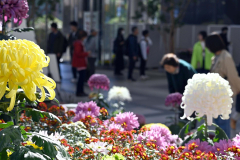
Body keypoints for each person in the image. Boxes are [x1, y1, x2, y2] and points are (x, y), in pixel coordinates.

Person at [206, 34, 240, 137]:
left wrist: (234, 92)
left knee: (223, 127)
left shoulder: (226, 57)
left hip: (223, 97)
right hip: (215, 97)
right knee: (218, 125)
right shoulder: (216, 57)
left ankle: (225, 150)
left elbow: (233, 77)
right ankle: (221, 149)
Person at [160, 53, 196, 118]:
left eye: (168, 67)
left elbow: (191, 85)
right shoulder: (169, 71)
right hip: (180, 94)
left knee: (190, 116)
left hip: (192, 95)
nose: (167, 69)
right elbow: (171, 85)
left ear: (175, 66)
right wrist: (173, 98)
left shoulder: (185, 68)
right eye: (165, 68)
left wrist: (184, 96)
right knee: (181, 115)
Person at [72, 31, 90, 97]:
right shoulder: (78, 43)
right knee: (81, 78)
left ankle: (81, 91)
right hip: (80, 63)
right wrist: (86, 53)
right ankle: (79, 92)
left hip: (81, 62)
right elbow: (78, 53)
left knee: (81, 78)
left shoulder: (78, 43)